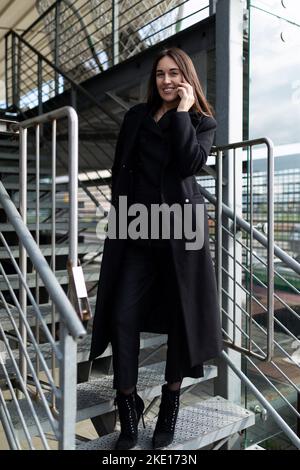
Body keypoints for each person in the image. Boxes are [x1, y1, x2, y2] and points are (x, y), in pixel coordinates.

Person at [89, 47, 222, 450]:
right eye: (160, 74)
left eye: (174, 73)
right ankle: (127, 407)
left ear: (187, 77)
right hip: (136, 233)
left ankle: (170, 402)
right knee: (123, 317)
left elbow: (188, 165)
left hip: (182, 235)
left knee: (182, 321)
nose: (166, 80)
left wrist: (182, 112)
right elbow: (120, 171)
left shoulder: (202, 122)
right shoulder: (136, 117)